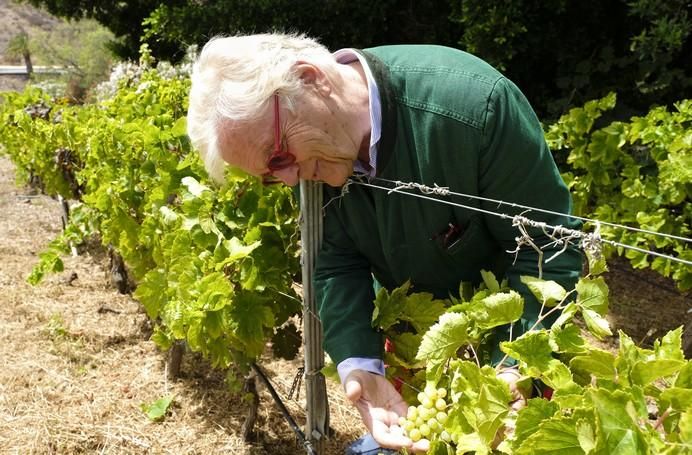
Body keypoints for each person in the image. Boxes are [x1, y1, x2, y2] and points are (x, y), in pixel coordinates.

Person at [186, 33, 582, 453]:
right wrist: (359, 363)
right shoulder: (310, 156)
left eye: (278, 158)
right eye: (269, 175)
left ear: (310, 79)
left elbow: (547, 251)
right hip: (414, 346)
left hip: (510, 343)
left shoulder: (473, 108)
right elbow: (338, 262)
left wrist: (514, 367)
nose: (287, 179)